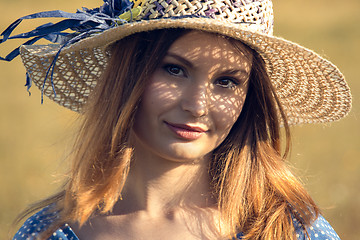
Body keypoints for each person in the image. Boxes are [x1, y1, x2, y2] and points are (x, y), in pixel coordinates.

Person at [0, 0, 351, 239]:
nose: (198, 106)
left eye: (227, 81)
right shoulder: (52, 232)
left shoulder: (286, 228)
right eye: (174, 69)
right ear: (126, 74)